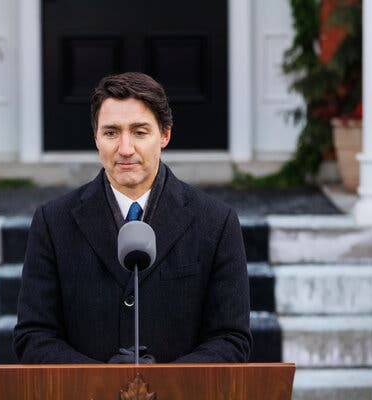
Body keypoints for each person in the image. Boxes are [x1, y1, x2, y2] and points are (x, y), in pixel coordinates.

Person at [13, 72, 252, 363]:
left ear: (165, 135)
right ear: (96, 137)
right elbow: (33, 337)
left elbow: (231, 339)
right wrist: (104, 384)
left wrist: (162, 385)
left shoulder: (217, 222)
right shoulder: (53, 222)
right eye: (111, 132)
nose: (125, 149)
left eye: (140, 132)